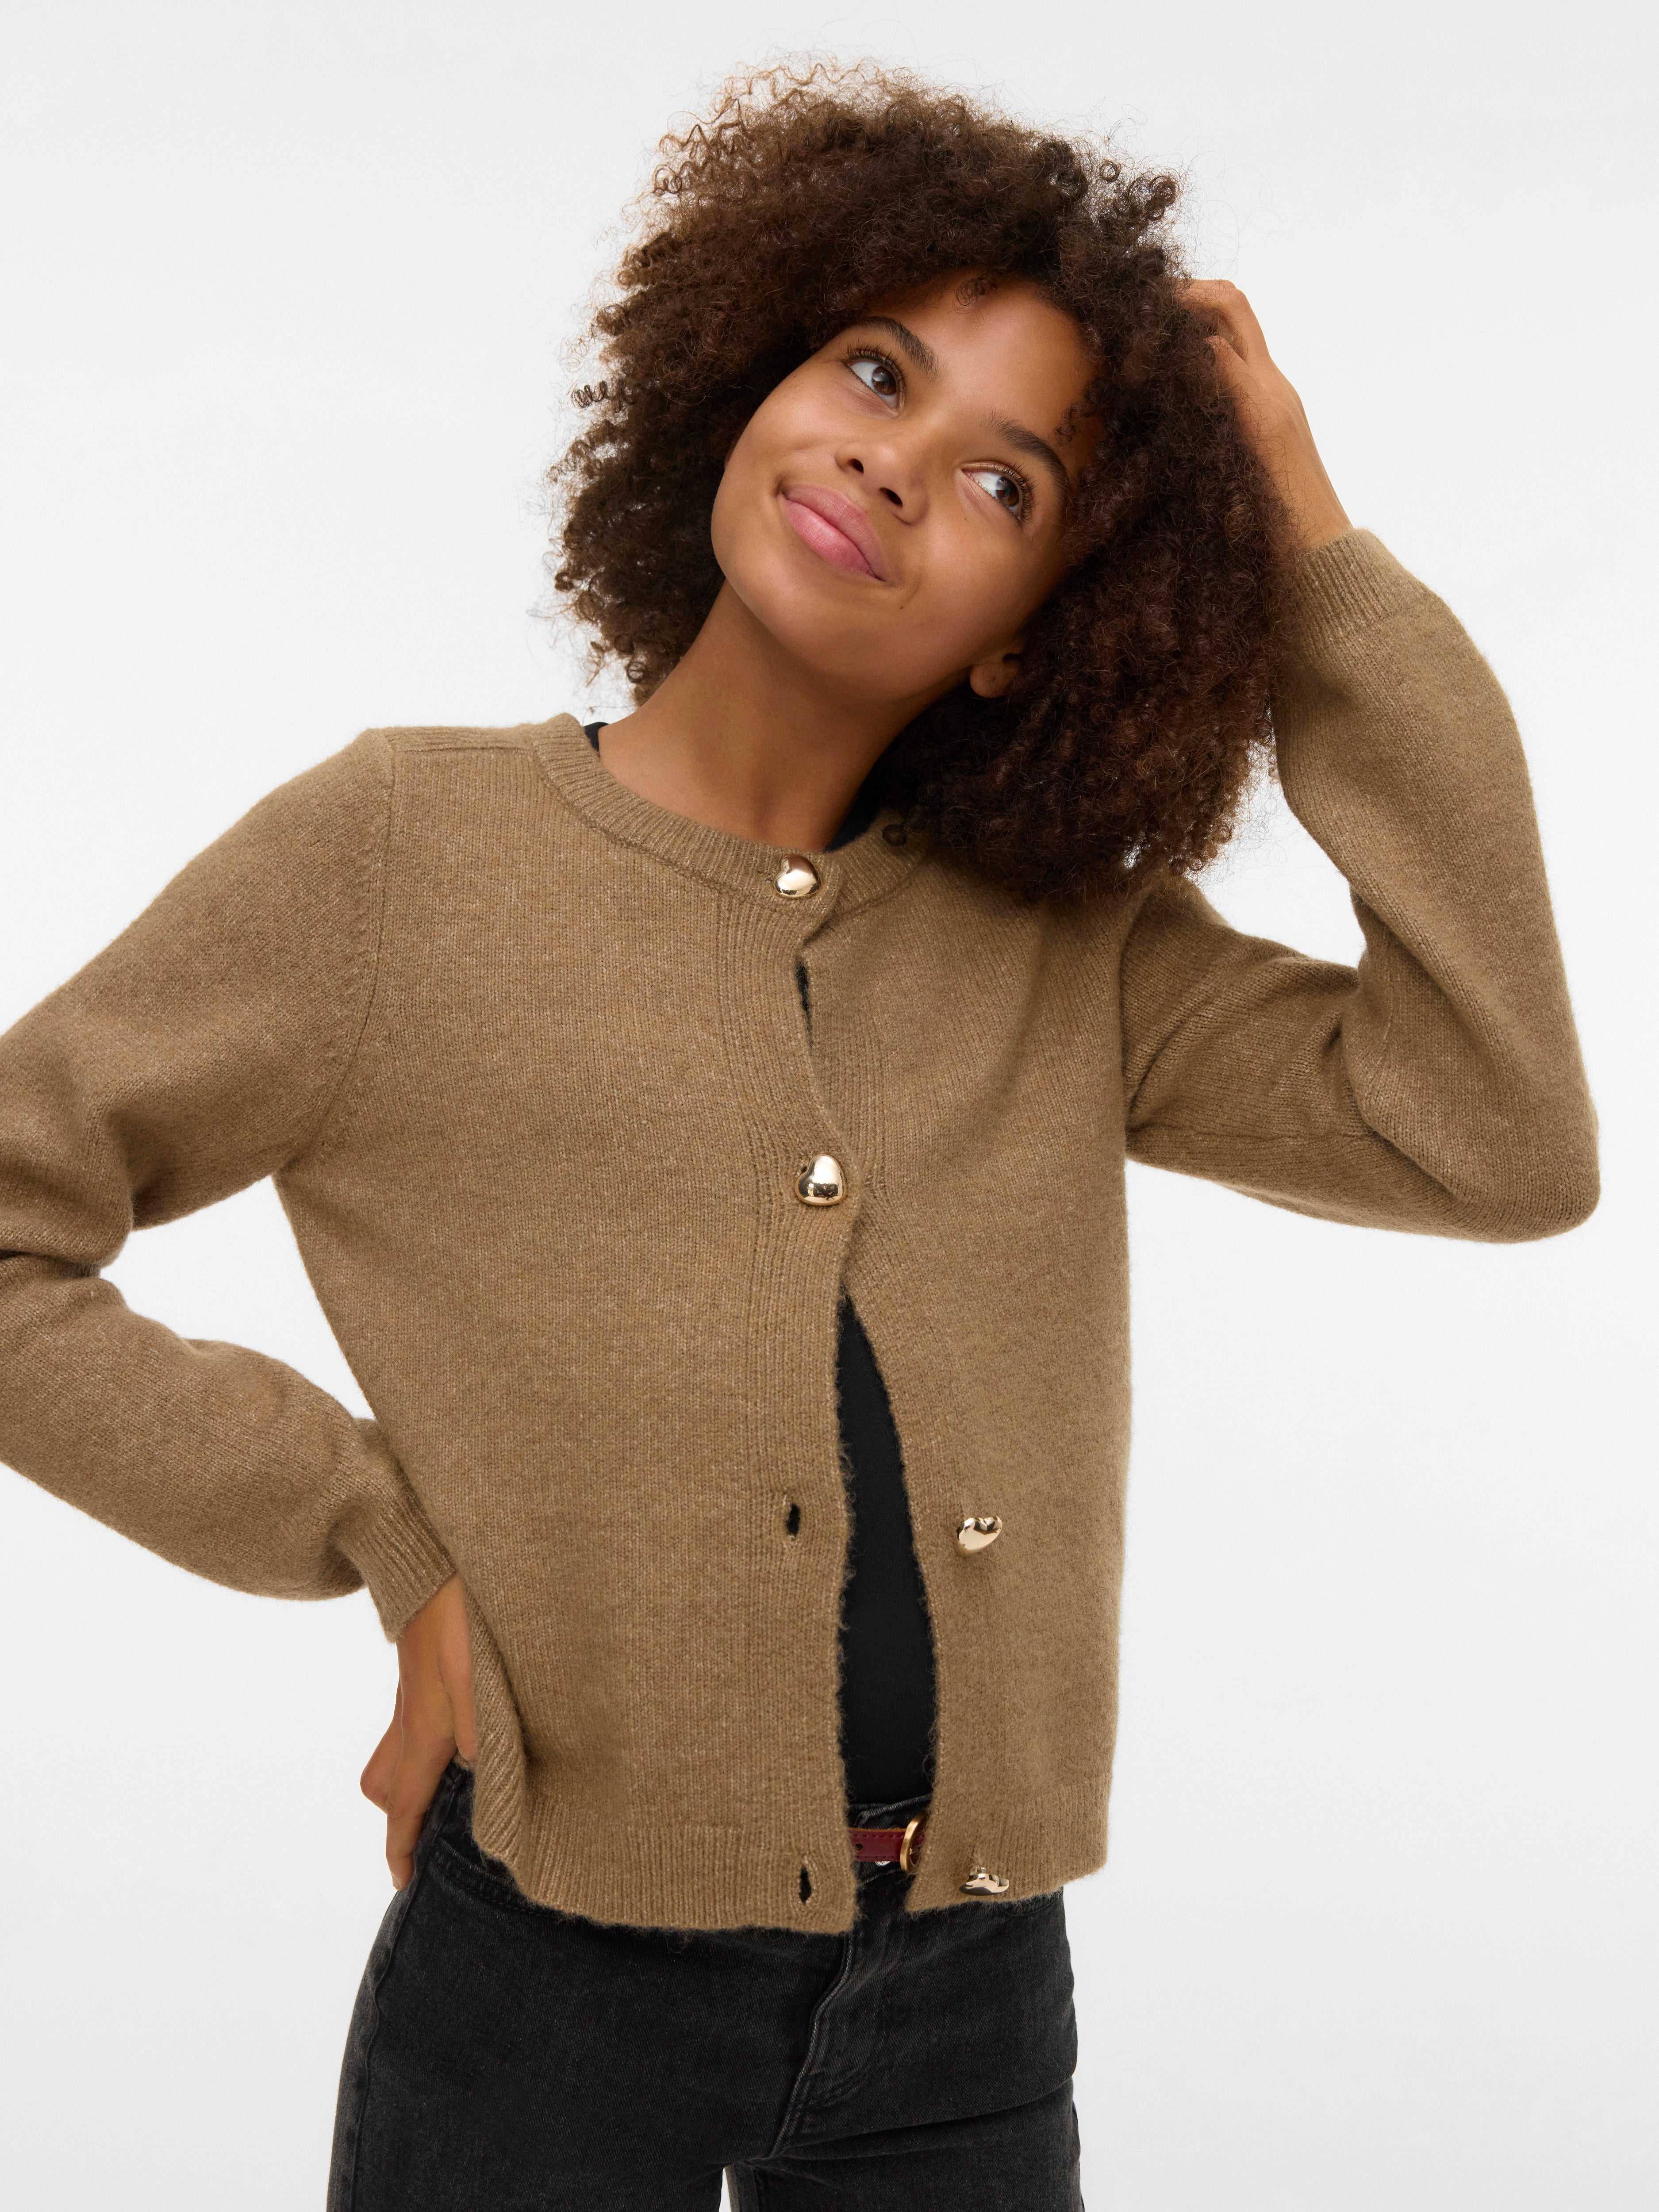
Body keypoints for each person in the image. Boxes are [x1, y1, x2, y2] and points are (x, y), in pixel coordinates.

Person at [0, 61, 1597, 2212]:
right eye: (871, 367)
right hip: (551, 1990)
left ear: (1031, 634)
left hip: (969, 2000)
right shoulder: (395, 855)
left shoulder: (1067, 943)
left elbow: (1494, 1134)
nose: (891, 460)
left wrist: (1309, 554)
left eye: (1005, 478)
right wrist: (375, 1532)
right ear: (748, 374)